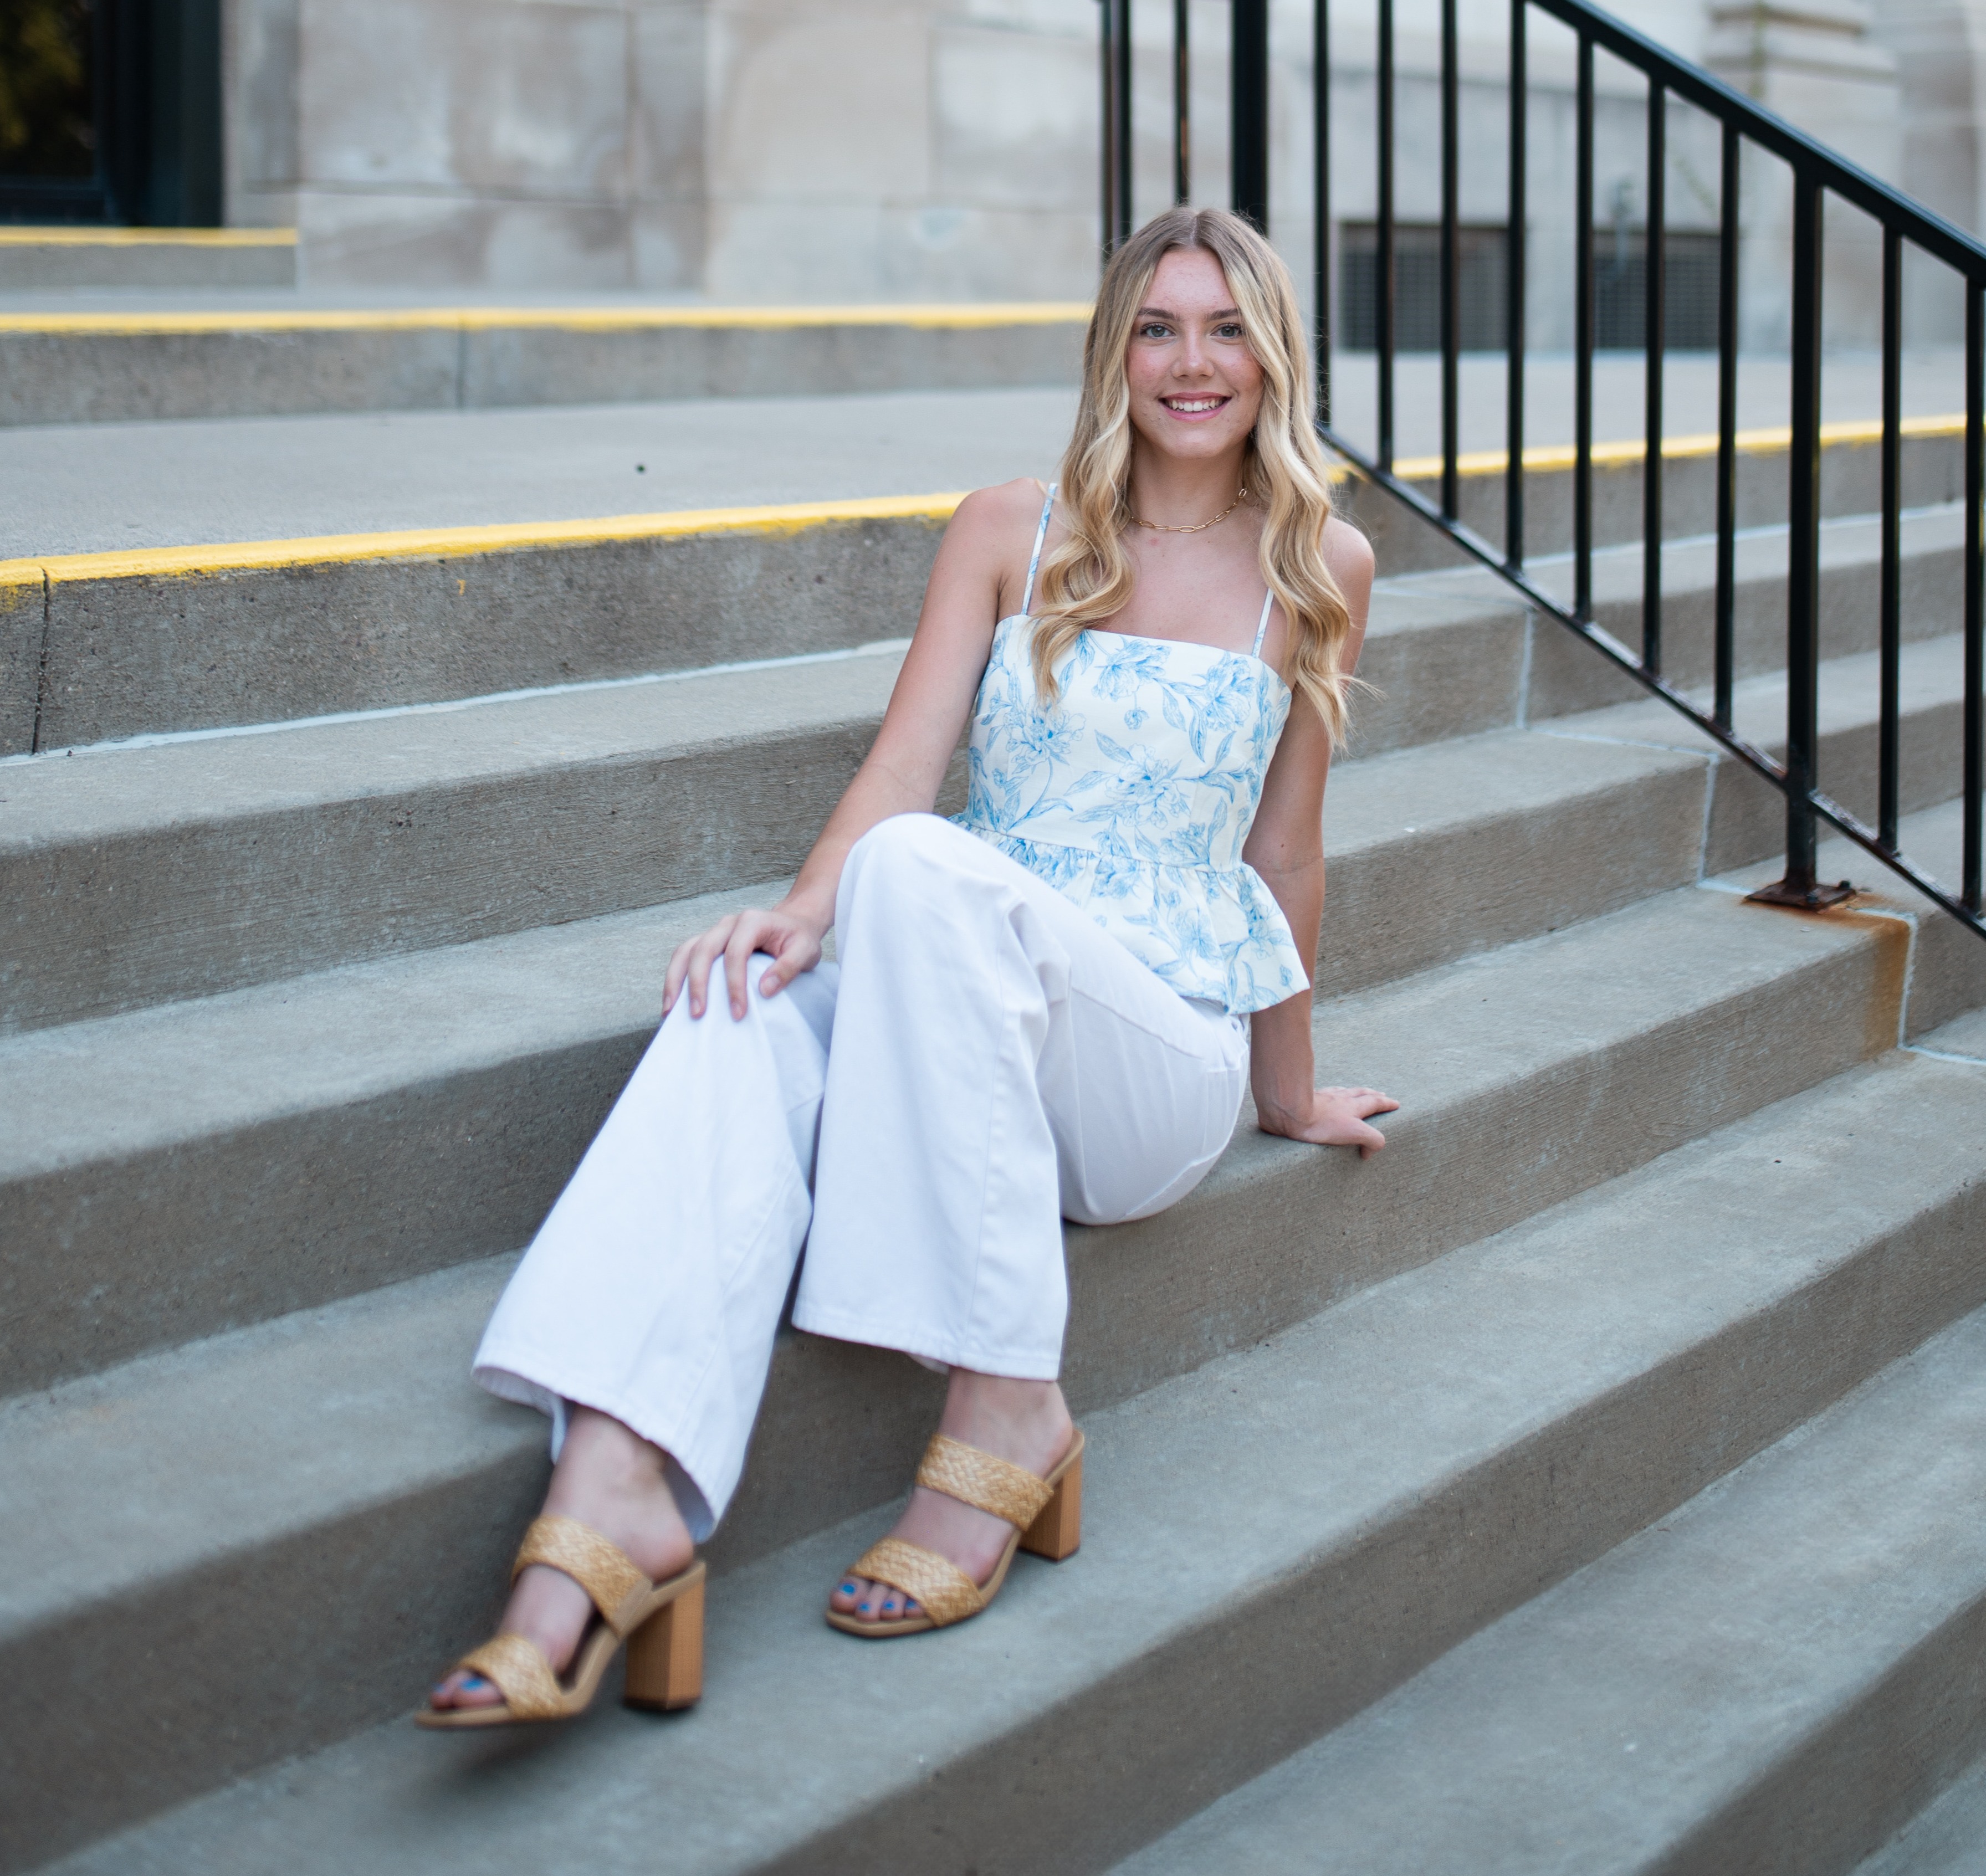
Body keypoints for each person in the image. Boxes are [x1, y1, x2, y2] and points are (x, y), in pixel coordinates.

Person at [417, 205, 1398, 1727]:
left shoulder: (1318, 563)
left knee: (927, 871)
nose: (1189, 364)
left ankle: (1008, 1394)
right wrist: (800, 921)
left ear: (1272, 358)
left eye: (1223, 331)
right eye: (1156, 327)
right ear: (1111, 352)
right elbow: (904, 760)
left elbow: (1282, 854)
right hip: (954, 992)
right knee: (736, 1002)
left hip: (1150, 1060)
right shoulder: (1009, 529)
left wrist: (1285, 1090)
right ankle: (611, 1497)